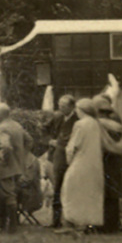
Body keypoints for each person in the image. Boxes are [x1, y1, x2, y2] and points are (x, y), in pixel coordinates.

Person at [62, 97, 106, 231]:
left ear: (81, 110)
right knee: (91, 192)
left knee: (71, 190)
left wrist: (69, 159)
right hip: (95, 163)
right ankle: (90, 223)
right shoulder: (96, 124)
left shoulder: (80, 124)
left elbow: (73, 145)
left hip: (80, 161)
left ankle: (75, 221)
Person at [0, 102, 32, 233]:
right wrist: (21, 155)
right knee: (8, 194)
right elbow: (29, 140)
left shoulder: (2, 128)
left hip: (5, 167)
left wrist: (2, 158)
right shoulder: (16, 125)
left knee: (6, 195)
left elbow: (6, 146)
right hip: (17, 166)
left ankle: (10, 227)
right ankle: (7, 225)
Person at [93, 91, 122, 234]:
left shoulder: (101, 124)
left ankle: (106, 225)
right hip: (116, 161)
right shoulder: (118, 121)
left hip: (106, 162)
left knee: (106, 194)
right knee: (113, 195)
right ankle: (115, 224)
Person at [49, 92, 77, 228]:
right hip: (59, 156)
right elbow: (44, 129)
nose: (61, 108)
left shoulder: (78, 119)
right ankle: (55, 220)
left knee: (72, 187)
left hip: (73, 157)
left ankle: (72, 220)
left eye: (64, 106)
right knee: (57, 187)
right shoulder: (57, 117)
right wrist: (50, 140)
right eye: (59, 105)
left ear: (72, 106)